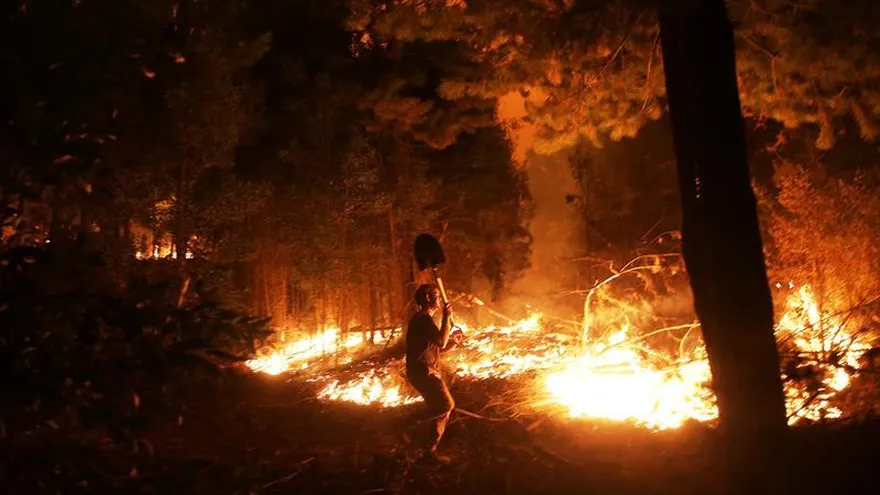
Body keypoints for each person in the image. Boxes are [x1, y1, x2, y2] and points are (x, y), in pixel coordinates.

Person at [405, 283, 456, 462]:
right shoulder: (422, 319)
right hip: (423, 372)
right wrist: (446, 317)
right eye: (437, 295)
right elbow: (441, 341)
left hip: (425, 371)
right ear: (428, 298)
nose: (440, 299)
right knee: (446, 405)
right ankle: (405, 422)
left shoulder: (424, 320)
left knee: (441, 411)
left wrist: (453, 342)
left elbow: (437, 347)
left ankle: (429, 451)